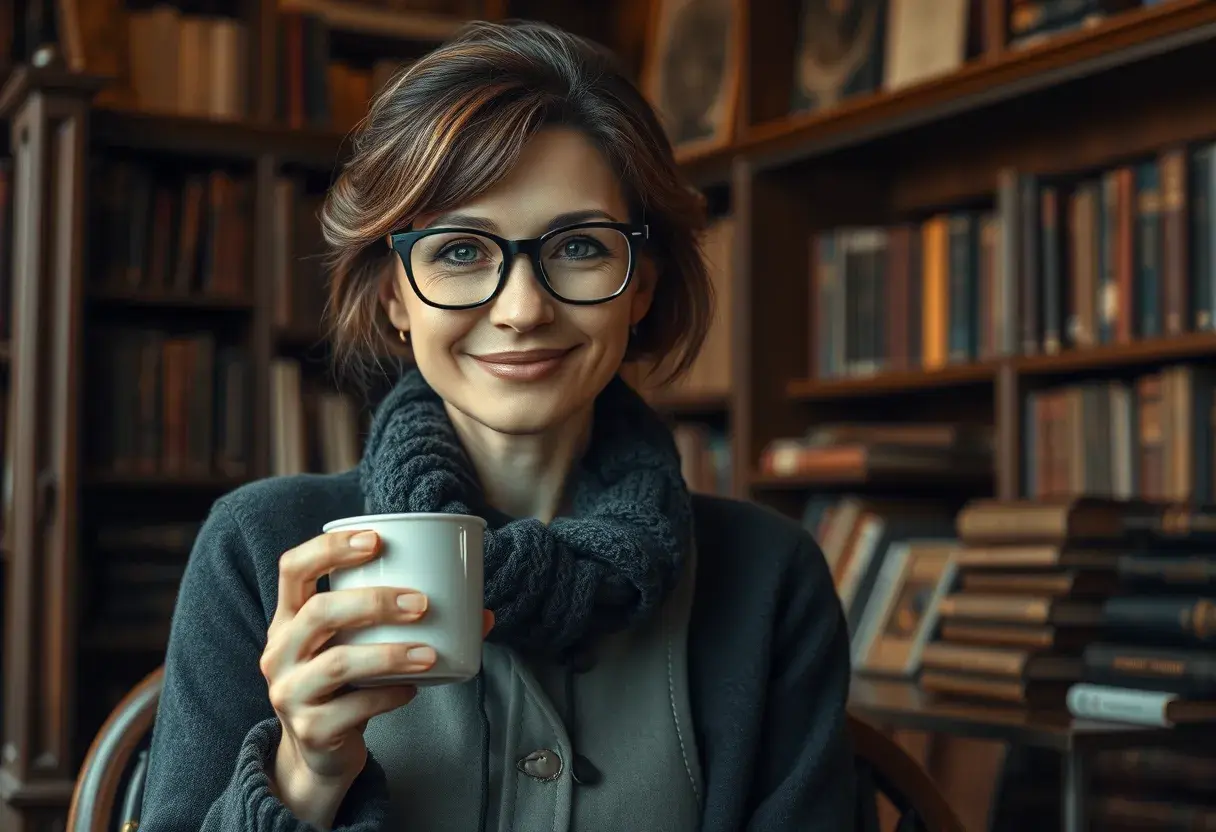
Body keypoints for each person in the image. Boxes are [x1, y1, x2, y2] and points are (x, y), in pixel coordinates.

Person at [138, 19, 856, 832]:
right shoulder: (261, 547)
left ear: (642, 287)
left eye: (580, 246)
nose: (522, 309)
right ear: (394, 297)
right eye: (458, 252)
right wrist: (304, 775)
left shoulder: (768, 578)